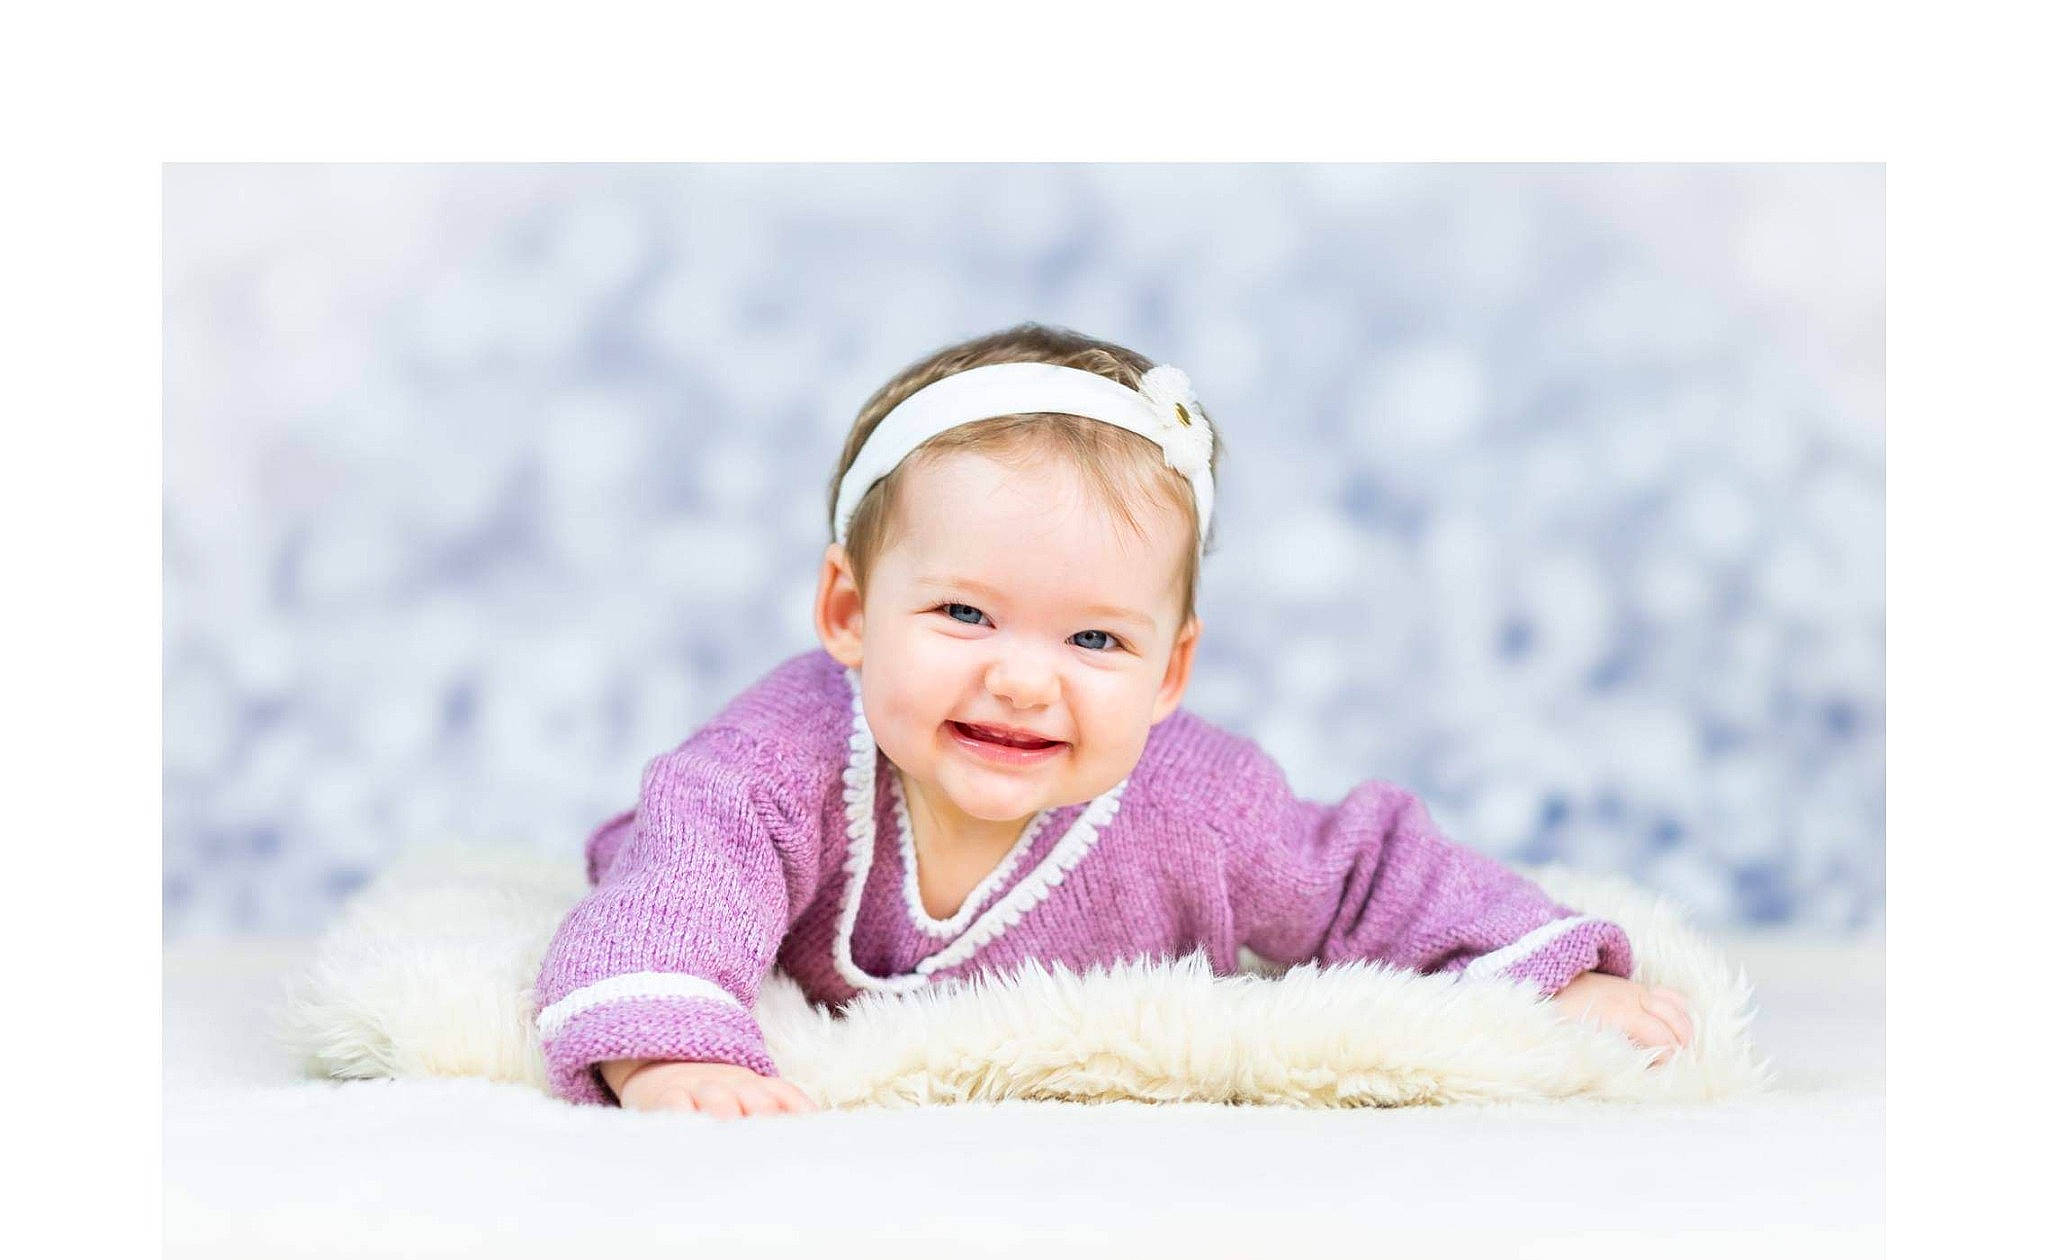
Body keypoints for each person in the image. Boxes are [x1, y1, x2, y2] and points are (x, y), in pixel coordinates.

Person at [536, 323, 1696, 1116]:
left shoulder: (1197, 804)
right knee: (656, 860)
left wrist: (1548, 976)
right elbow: (689, 883)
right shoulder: (767, 768)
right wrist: (667, 1052)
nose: (1025, 682)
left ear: (1169, 669)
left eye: (1093, 640)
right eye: (964, 614)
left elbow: (1363, 879)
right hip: (718, 923)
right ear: (848, 609)